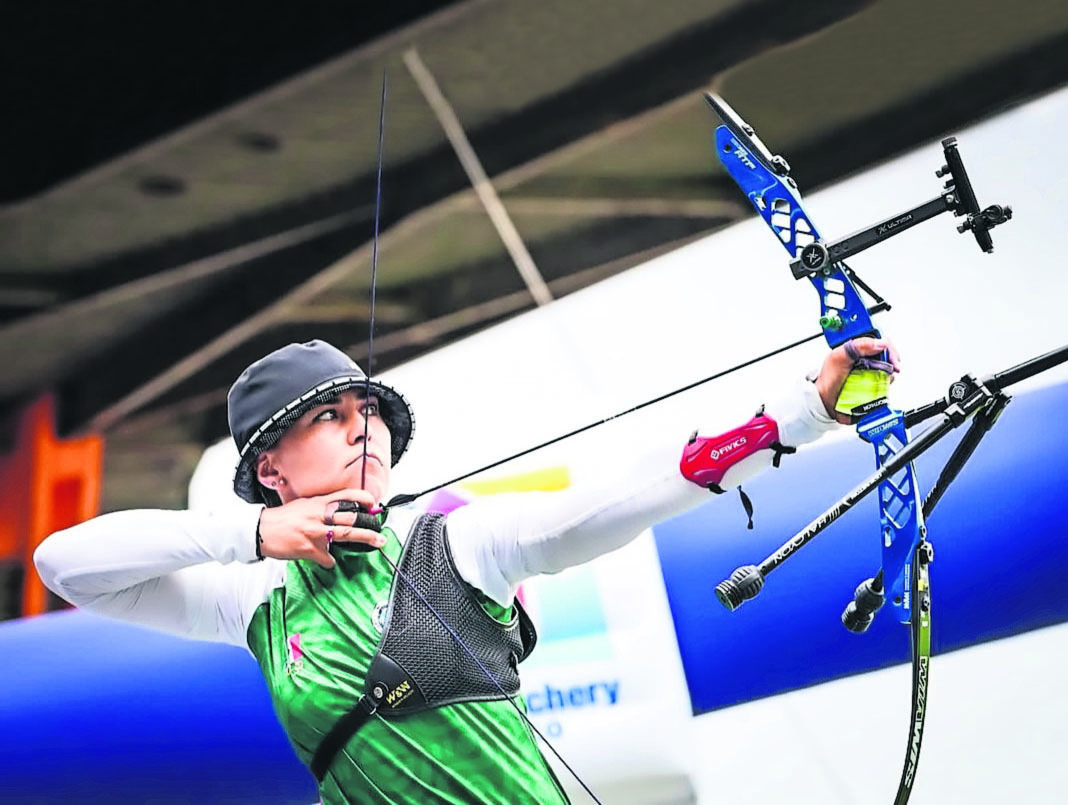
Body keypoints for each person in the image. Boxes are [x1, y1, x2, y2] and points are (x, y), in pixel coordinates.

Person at [34, 336, 898, 804]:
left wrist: (803, 411)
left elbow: (623, 495)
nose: (362, 425)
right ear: (271, 468)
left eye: (367, 409)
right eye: (331, 417)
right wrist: (255, 534)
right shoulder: (251, 597)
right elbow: (64, 563)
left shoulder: (454, 543)